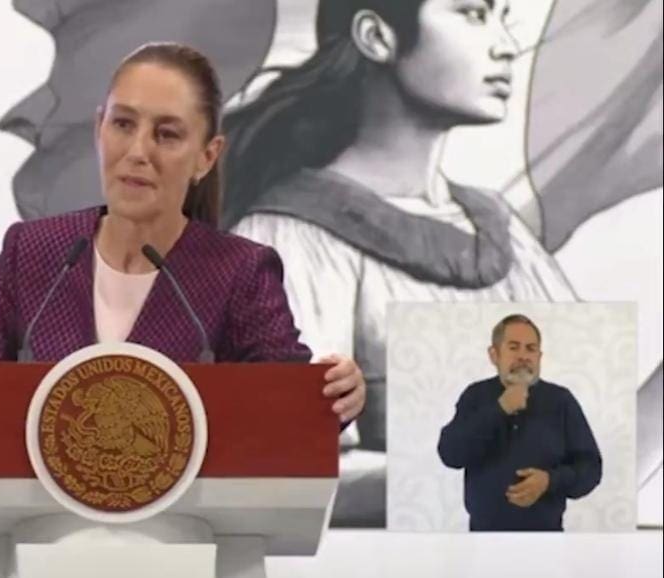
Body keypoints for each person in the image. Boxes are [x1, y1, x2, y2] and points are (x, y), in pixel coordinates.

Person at [0, 42, 366, 495]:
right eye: (123, 124)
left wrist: (338, 395)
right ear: (98, 129)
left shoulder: (239, 272)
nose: (137, 152)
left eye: (166, 134)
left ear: (206, 157)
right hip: (40, 542)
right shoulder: (35, 253)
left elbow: (289, 410)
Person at [222, 0, 577, 526]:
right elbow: (281, 476)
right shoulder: (286, 239)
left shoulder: (504, 233)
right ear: (376, 36)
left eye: (503, 18)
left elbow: (596, 446)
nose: (506, 46)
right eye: (473, 14)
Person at [437, 314, 602, 531]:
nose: (523, 356)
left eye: (531, 349)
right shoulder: (475, 396)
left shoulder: (561, 401)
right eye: (514, 347)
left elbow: (590, 469)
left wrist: (550, 480)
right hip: (483, 539)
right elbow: (450, 454)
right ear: (494, 354)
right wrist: (500, 409)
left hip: (546, 540)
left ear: (539, 357)